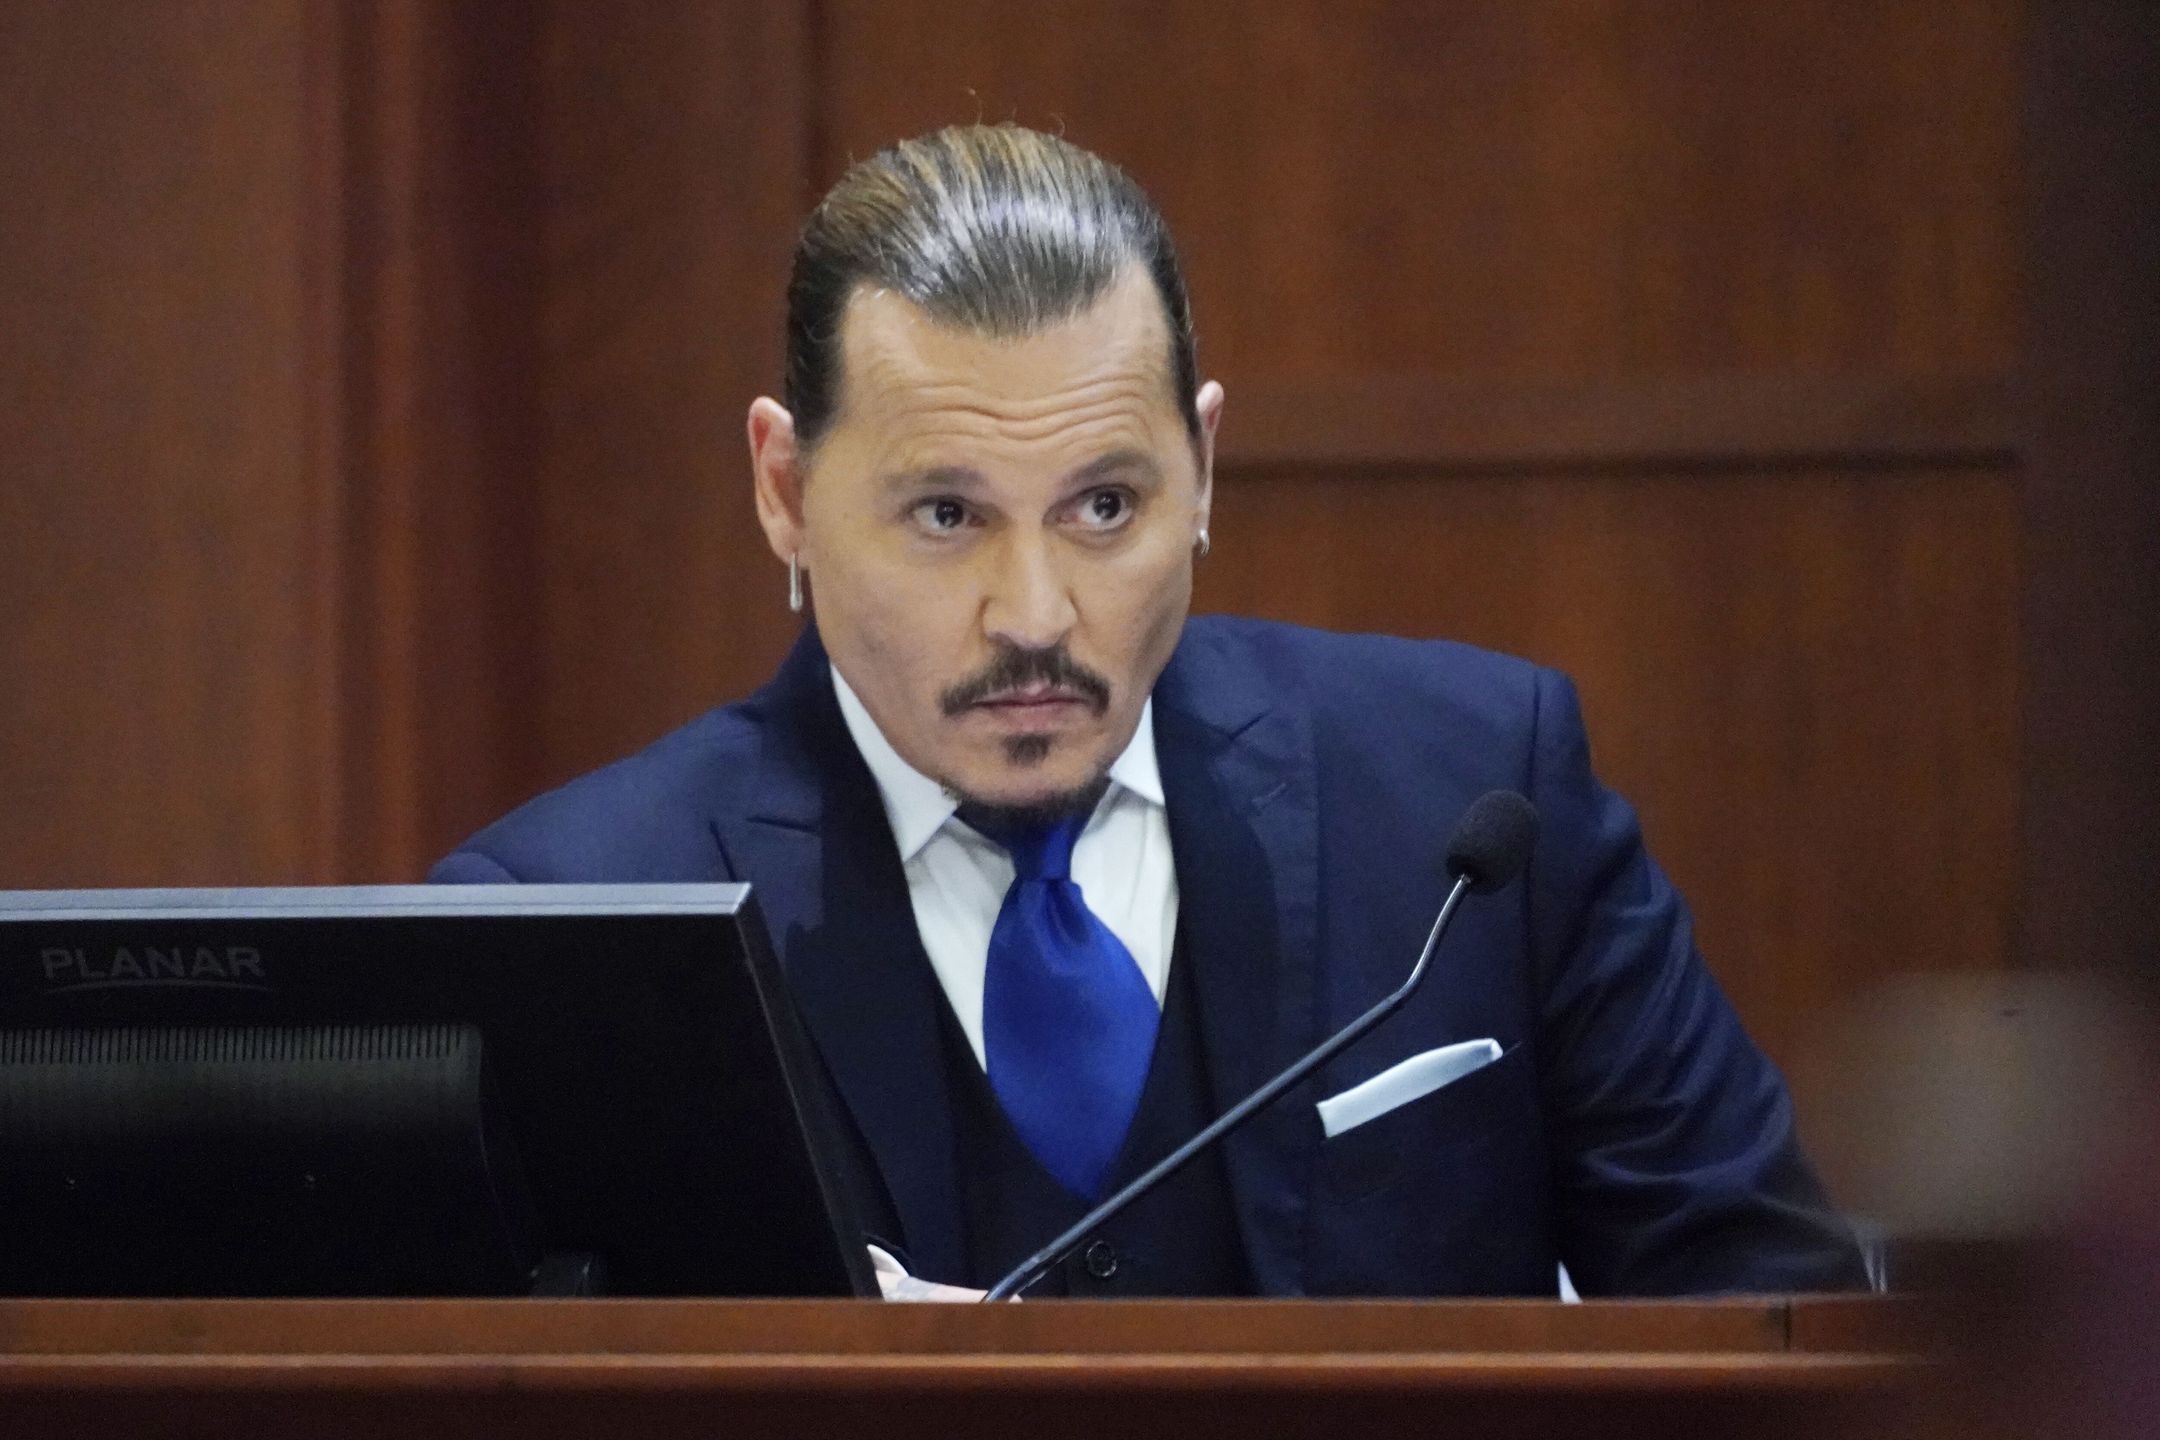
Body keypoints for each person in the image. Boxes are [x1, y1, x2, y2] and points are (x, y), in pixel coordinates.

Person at [433, 124, 1868, 1299]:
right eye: (948, 515)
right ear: (787, 494)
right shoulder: (563, 919)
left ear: (1204, 467)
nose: (1035, 615)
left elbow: (1769, 1318)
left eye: (1105, 507)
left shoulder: (1472, 804)